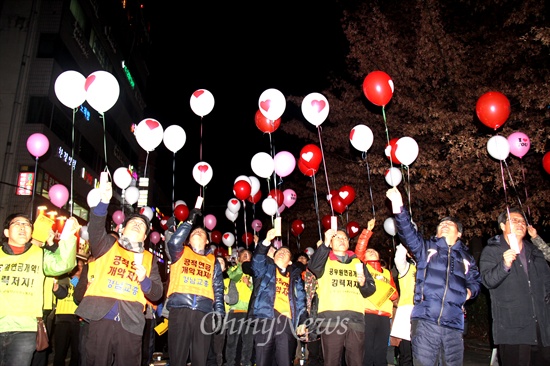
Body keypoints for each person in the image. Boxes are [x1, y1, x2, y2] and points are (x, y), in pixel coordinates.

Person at [386, 187, 481, 366]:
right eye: (441, 224)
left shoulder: (466, 258)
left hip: (454, 323)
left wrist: (468, 293)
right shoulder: (426, 248)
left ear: (459, 233)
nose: (444, 225)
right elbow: (408, 233)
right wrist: (399, 207)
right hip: (425, 320)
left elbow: (475, 281)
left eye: (449, 224)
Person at [75, 179, 163, 366]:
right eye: (134, 222)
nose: (138, 224)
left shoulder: (149, 259)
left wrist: (144, 280)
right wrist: (103, 204)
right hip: (100, 317)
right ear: (122, 228)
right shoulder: (107, 244)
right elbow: (96, 230)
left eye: (142, 225)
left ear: (146, 237)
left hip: (131, 322)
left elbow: (157, 293)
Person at [0, 213, 78, 366]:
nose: (23, 227)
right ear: (6, 232)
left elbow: (63, 264)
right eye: (17, 223)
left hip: (25, 329)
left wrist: (69, 235)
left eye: (27, 224)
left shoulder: (41, 255)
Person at [479, 207, 550, 365]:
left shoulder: (535, 252)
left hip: (542, 329)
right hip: (513, 329)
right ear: (503, 226)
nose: (520, 224)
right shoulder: (492, 251)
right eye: (514, 220)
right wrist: (504, 265)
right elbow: (487, 281)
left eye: (522, 221)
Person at [308, 227, 376, 366]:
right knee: (331, 362)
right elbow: (313, 266)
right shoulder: (324, 260)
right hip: (331, 319)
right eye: (337, 237)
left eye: (345, 238)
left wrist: (363, 284)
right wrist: (324, 244)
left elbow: (370, 289)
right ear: (331, 243)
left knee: (356, 362)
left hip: (356, 319)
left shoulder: (358, 263)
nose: (342, 240)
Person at [165, 208, 225, 366]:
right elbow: (174, 241)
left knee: (200, 359)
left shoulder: (213, 261)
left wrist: (219, 313)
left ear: (207, 241)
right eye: (193, 232)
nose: (197, 232)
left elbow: (218, 289)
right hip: (180, 309)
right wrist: (189, 222)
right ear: (188, 240)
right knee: (177, 358)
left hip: (204, 312)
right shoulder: (180, 252)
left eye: (201, 232)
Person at [248, 228, 307, 366]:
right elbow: (256, 261)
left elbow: (301, 303)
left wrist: (302, 322)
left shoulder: (296, 279)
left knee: (284, 361)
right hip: (265, 319)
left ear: (290, 262)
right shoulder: (264, 270)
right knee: (262, 360)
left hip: (287, 323)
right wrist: (266, 241)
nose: (282, 253)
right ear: (273, 256)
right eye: (279, 251)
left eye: (286, 252)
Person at [354, 219, 399, 366]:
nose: (370, 251)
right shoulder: (364, 268)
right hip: (368, 313)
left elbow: (394, 294)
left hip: (385, 316)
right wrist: (367, 232)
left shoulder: (386, 272)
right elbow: (359, 251)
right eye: (368, 251)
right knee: (367, 350)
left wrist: (393, 296)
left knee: (381, 351)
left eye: (373, 250)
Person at [223, 249, 254, 366]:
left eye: (249, 256)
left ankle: (246, 362)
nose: (247, 258)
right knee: (232, 340)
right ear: (239, 258)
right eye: (244, 255)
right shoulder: (234, 269)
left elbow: (256, 289)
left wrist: (249, 284)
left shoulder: (252, 273)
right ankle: (230, 362)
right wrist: (241, 266)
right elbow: (233, 276)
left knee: (248, 341)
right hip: (235, 310)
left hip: (249, 312)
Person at [52, 258, 85, 366]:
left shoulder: (84, 284)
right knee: (60, 352)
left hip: (78, 320)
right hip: (63, 318)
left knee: (76, 352)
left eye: (81, 266)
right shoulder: (63, 280)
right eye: (77, 265)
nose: (78, 268)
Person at [389, 244, 416, 366]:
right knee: (407, 354)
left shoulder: (430, 269)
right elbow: (399, 258)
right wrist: (406, 241)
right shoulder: (407, 268)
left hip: (427, 314)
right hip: (408, 313)